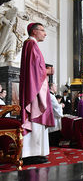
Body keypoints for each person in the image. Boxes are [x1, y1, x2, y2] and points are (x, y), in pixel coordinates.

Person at [20, 22, 55, 165]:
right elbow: (35, 69)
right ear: (34, 32)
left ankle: (37, 152)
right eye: (42, 30)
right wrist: (47, 71)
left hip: (35, 87)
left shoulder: (31, 45)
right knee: (35, 119)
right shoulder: (31, 44)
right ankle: (30, 154)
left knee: (38, 123)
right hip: (34, 91)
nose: (45, 33)